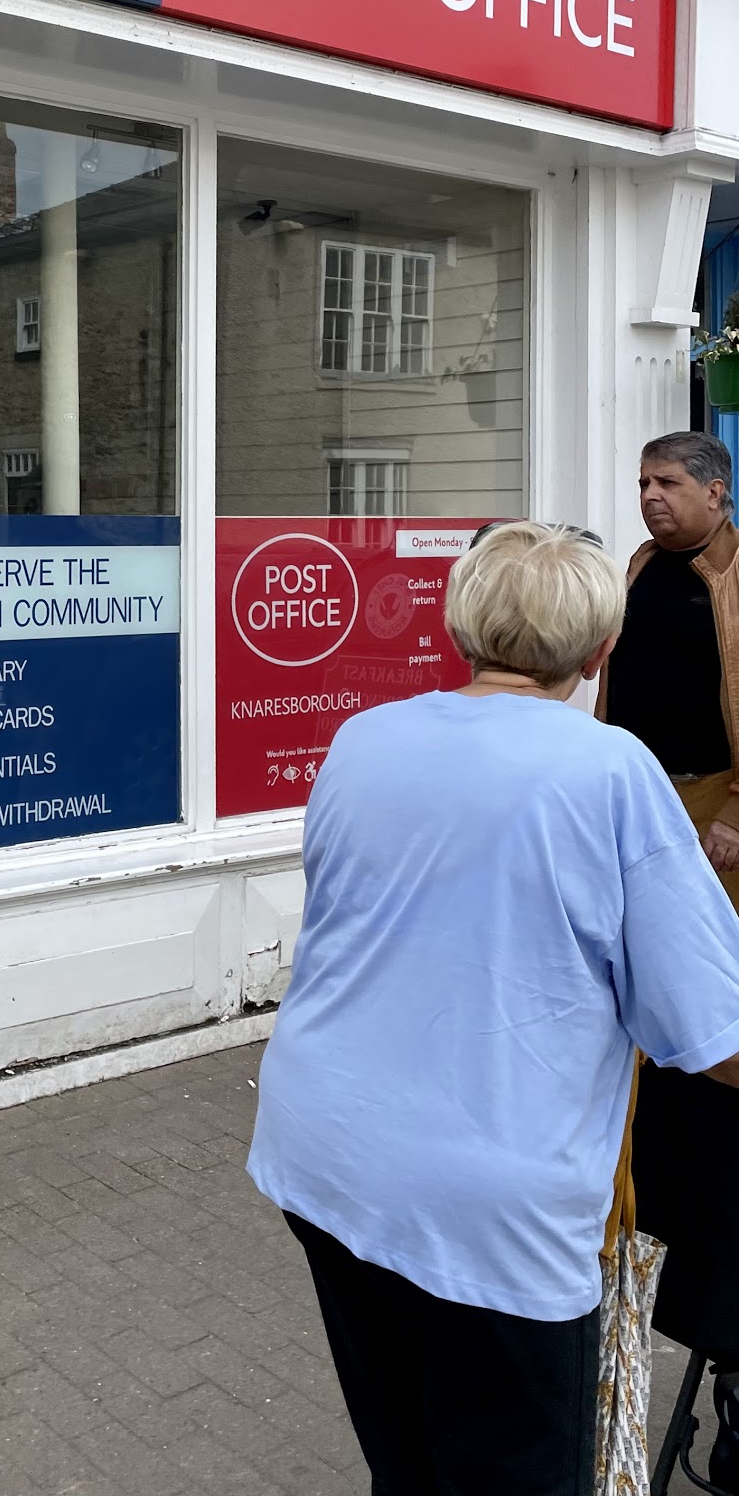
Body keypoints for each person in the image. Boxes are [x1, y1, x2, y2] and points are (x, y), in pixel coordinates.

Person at [247, 521, 739, 1496]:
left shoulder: (364, 736)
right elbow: (708, 1031)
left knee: (408, 1450)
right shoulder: (610, 771)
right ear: (602, 651)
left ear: (458, 628)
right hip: (486, 1199)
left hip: (325, 1151)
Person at [600, 430, 739, 1488]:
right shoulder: (641, 570)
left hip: (710, 806)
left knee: (703, 977)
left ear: (716, 491)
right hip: (632, 795)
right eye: (642, 483)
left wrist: (737, 807)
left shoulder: (733, 577)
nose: (649, 498)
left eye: (667, 483)